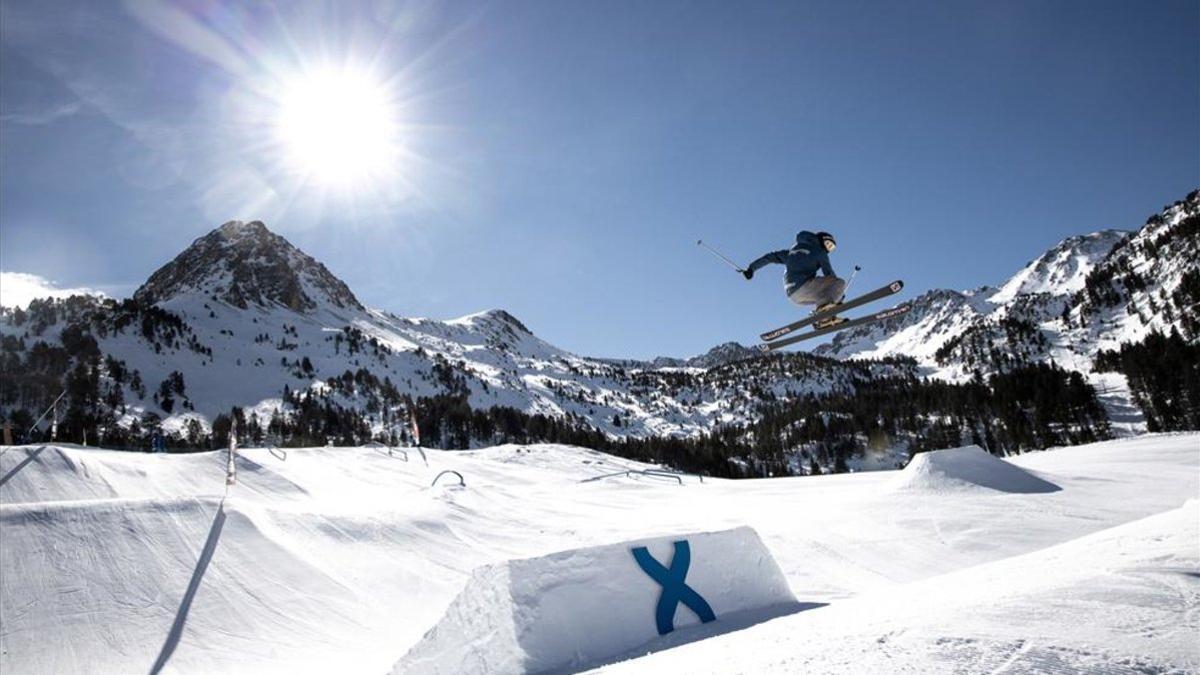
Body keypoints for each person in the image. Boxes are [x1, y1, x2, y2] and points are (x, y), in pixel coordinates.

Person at [743, 230, 845, 324]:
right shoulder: (820, 251)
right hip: (804, 286)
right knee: (839, 283)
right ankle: (825, 317)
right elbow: (829, 274)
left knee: (824, 296)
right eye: (828, 244)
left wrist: (751, 269)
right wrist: (839, 294)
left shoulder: (791, 251)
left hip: (792, 295)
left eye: (831, 247)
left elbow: (770, 257)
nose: (828, 248)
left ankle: (826, 318)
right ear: (820, 240)